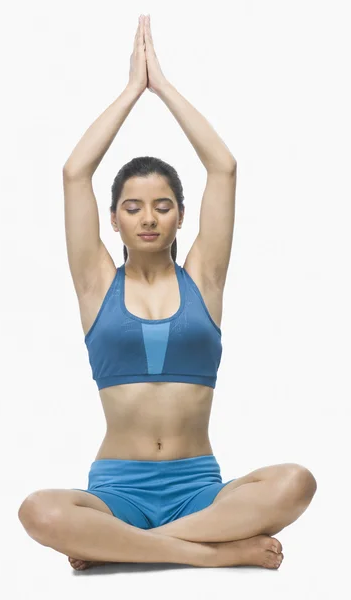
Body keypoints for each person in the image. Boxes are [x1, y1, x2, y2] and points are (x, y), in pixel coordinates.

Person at [18, 14, 317, 571]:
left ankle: (125, 548)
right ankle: (210, 555)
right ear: (114, 219)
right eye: (132, 207)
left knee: (296, 482)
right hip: (117, 490)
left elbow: (223, 167)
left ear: (181, 216)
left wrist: (165, 88)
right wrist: (132, 91)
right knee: (39, 512)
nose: (148, 218)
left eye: (163, 206)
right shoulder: (96, 284)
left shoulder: (204, 279)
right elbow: (74, 172)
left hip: (198, 488)